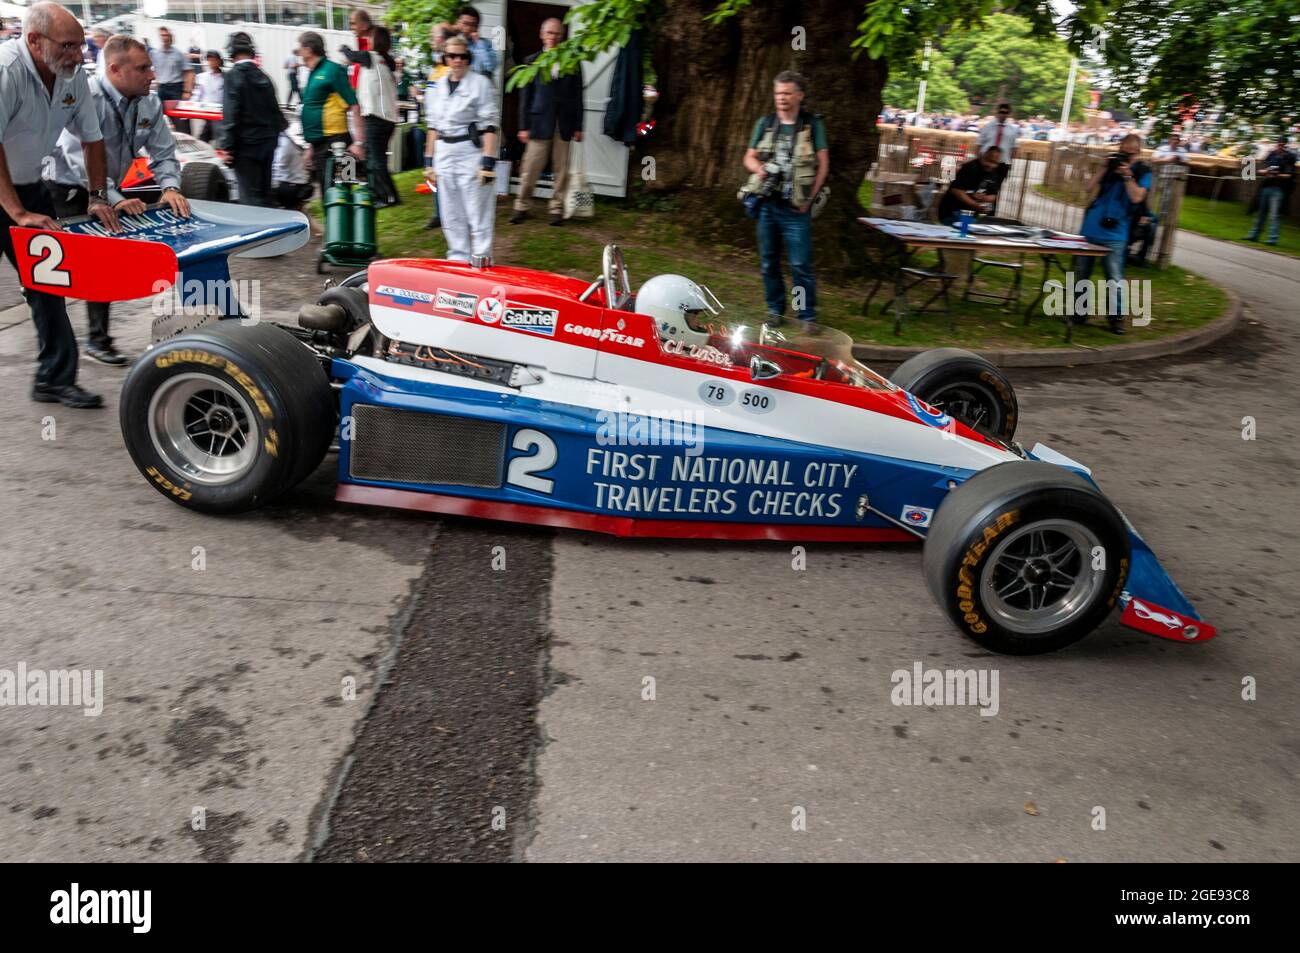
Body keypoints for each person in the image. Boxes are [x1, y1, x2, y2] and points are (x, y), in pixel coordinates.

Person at [0, 2, 120, 407]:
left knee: (48, 284)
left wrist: (99, 195)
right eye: (68, 46)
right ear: (34, 40)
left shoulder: (72, 77)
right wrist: (16, 213)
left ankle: (53, 379)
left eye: (81, 46)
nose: (77, 55)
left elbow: (93, 138)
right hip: (9, 196)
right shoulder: (6, 71)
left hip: (28, 188)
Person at [46, 33, 190, 366]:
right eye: (143, 68)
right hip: (65, 186)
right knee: (60, 270)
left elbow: (164, 153)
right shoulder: (85, 97)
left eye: (151, 67)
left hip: (108, 186)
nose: (153, 75)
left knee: (102, 259)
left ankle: (97, 339)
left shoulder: (148, 103)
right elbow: (75, 157)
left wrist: (171, 187)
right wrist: (112, 198)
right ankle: (57, 346)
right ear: (115, 69)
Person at [740, 71, 829, 327]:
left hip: (797, 208)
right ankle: (775, 311)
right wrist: (760, 169)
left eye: (787, 93)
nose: (781, 98)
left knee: (800, 264)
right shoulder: (765, 123)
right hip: (768, 204)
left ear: (800, 95)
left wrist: (809, 199)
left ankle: (806, 315)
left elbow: (823, 165)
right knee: (768, 262)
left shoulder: (812, 125)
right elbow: (749, 157)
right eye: (778, 93)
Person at [422, 35, 499, 262]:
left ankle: (482, 258)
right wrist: (428, 161)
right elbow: (433, 126)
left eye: (463, 56)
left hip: (470, 150)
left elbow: (490, 125)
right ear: (445, 57)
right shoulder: (436, 85)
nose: (458, 60)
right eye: (452, 55)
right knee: (450, 211)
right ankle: (458, 259)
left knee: (477, 210)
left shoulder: (480, 84)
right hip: (444, 152)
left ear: (469, 58)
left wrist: (487, 162)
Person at [1072, 132, 1150, 334]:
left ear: (1138, 152)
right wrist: (1105, 167)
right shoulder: (1110, 167)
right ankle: (1079, 312)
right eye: (1122, 152)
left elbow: (1136, 198)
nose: (1125, 157)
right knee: (1081, 272)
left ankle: (1115, 318)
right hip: (1092, 228)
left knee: (1114, 277)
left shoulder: (1143, 171)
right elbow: (1088, 187)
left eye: (1130, 154)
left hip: (1116, 232)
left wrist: (1127, 175)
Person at [511, 17, 583, 226]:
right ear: (542, 34)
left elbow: (577, 96)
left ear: (562, 36)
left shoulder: (573, 62)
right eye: (549, 32)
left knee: (561, 171)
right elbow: (525, 97)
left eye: (557, 33)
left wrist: (578, 126)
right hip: (538, 123)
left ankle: (556, 209)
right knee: (530, 168)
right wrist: (523, 126)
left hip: (564, 123)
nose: (553, 37)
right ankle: (521, 206)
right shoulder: (531, 61)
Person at [218, 32, 285, 208]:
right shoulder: (264, 76)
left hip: (246, 147)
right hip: (267, 143)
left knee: (250, 198)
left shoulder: (232, 76)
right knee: (265, 192)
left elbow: (231, 113)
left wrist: (226, 146)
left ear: (231, 52)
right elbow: (277, 113)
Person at [298, 31, 364, 201]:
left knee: (344, 190)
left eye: (300, 48)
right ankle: (335, 226)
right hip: (320, 145)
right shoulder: (313, 73)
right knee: (327, 194)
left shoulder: (333, 70)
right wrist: (310, 148)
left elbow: (354, 105)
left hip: (338, 142)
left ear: (309, 49)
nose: (298, 52)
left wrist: (358, 143)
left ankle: (349, 226)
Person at [348, 25, 400, 208]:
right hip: (388, 119)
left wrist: (343, 49)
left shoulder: (370, 57)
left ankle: (385, 198)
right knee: (378, 160)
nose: (367, 40)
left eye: (370, 37)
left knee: (376, 161)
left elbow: (351, 56)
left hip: (375, 117)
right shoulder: (387, 61)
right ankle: (388, 194)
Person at [1245, 136, 1295, 246]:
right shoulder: (1272, 154)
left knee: (1274, 215)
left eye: (1282, 144)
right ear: (1276, 144)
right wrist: (1265, 171)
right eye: (1279, 144)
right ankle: (1254, 235)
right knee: (1260, 213)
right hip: (1266, 186)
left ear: (1286, 145)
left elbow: (1289, 175)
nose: (1280, 146)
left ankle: (1272, 239)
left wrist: (1277, 174)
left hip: (1278, 188)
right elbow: (1264, 168)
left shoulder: (1290, 156)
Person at [937, 147, 1006, 225]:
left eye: (994, 163)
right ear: (983, 156)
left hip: (974, 215)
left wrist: (984, 198)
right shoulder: (970, 167)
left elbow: (993, 195)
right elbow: (956, 190)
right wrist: (973, 204)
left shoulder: (995, 173)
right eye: (988, 161)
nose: (990, 165)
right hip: (954, 211)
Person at [151, 26, 193, 132]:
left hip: (176, 89)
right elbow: (153, 70)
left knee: (180, 120)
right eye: (162, 35)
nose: (165, 38)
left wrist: (187, 91)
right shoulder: (155, 54)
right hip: (162, 89)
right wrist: (158, 81)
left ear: (171, 37)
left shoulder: (178, 54)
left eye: (167, 35)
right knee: (158, 118)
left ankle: (186, 139)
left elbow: (189, 72)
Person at [271, 130, 313, 210]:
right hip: (295, 184)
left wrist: (271, 187)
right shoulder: (286, 140)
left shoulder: (284, 142)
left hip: (292, 186)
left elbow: (278, 166)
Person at [455, 6, 498, 76]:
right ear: (458, 23)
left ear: (478, 26)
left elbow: (490, 67)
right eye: (465, 23)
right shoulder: (452, 42)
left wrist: (479, 43)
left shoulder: (486, 44)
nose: (469, 28)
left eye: (473, 25)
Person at [192, 49, 224, 143]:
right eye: (209, 60)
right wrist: (192, 105)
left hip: (219, 113)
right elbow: (197, 93)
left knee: (215, 135)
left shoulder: (226, 77)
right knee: (204, 137)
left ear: (219, 61)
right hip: (207, 111)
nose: (212, 62)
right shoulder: (202, 77)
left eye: (214, 60)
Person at [345, 9, 372, 90]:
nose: (351, 27)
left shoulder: (371, 50)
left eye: (354, 23)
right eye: (351, 24)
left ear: (365, 25)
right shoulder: (360, 50)